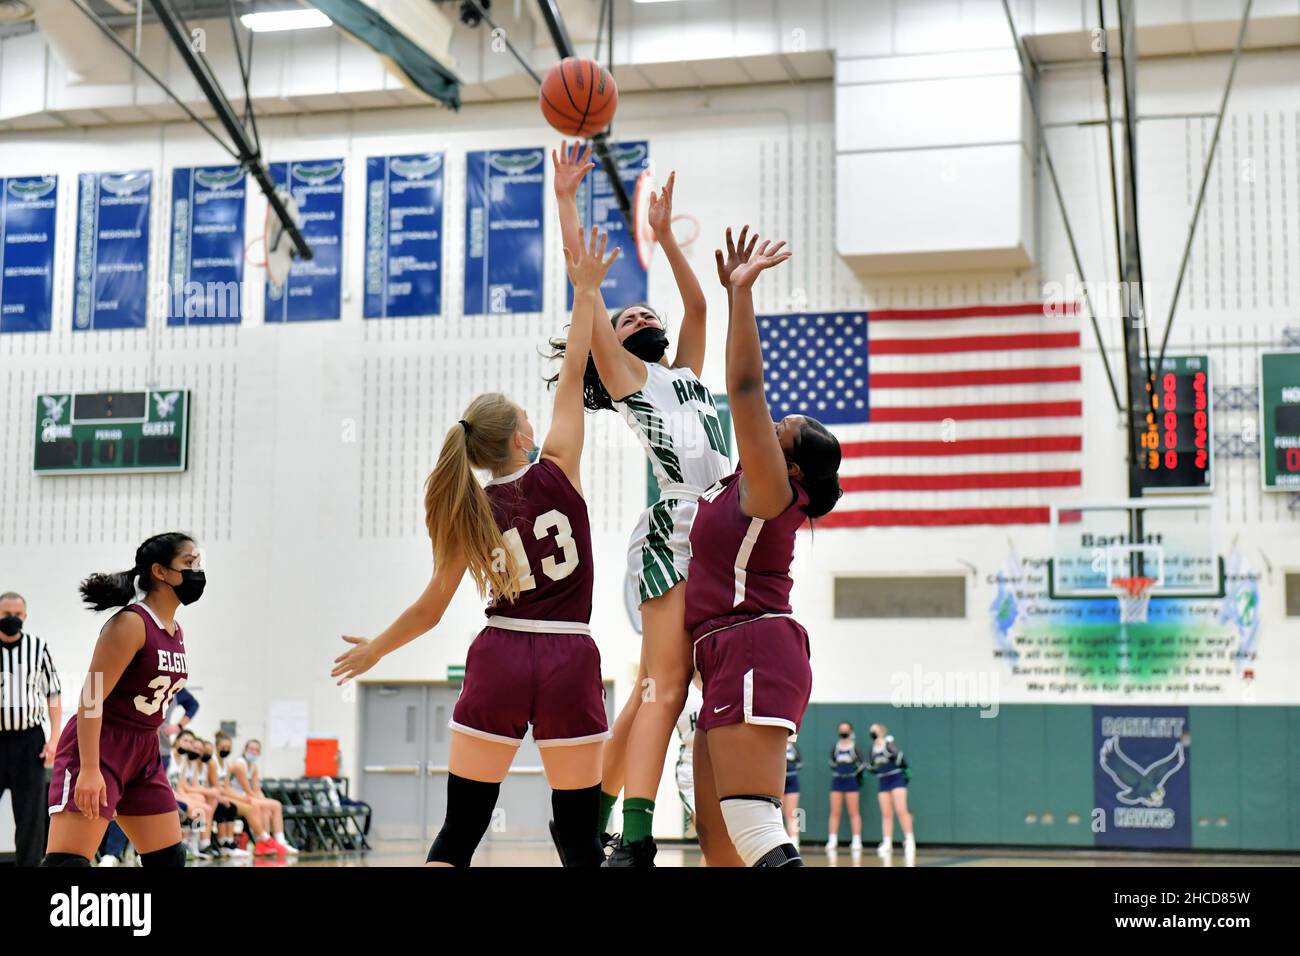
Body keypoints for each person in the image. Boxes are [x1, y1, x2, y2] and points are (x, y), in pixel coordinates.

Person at [332, 225, 619, 868]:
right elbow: (574, 368)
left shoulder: (470, 509)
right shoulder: (561, 467)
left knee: (461, 829)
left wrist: (377, 647)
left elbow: (433, 607)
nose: (535, 423)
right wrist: (586, 291)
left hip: (500, 656)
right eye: (527, 417)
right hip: (570, 656)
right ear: (522, 438)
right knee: (578, 836)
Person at [549, 142, 731, 865]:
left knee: (649, 695)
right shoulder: (628, 378)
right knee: (666, 687)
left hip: (716, 525)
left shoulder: (685, 372)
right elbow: (585, 294)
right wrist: (567, 208)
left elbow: (696, 303)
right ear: (612, 348)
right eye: (626, 316)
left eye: (641, 308)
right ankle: (636, 834)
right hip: (675, 530)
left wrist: (661, 235)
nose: (642, 312)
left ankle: (589, 822)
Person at [677, 230, 843, 868]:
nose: (772, 427)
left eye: (783, 431)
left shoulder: (771, 491)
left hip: (753, 643)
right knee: (718, 844)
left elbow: (744, 389)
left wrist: (739, 294)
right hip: (722, 653)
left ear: (794, 468)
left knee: (750, 822)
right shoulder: (735, 486)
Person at [41, 533, 199, 867]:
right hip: (102, 744)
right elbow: (90, 698)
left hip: (145, 749)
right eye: (188, 563)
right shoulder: (130, 623)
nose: (197, 571)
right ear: (160, 571)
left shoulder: (175, 630)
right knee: (68, 864)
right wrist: (89, 768)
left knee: (169, 859)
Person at [0, 591, 63, 866]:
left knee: (30, 816)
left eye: (17, 614)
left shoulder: (38, 647)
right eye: (6, 615)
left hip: (30, 741)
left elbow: (53, 694)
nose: (12, 619)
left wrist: (55, 738)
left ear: (24, 617)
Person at [212, 732, 281, 855]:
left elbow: (227, 788)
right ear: (216, 746)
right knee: (252, 806)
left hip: (228, 796)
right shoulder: (220, 763)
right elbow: (218, 788)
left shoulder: (227, 764)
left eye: (228, 748)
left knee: (262, 806)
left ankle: (265, 841)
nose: (226, 750)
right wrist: (242, 797)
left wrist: (259, 799)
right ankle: (264, 839)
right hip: (216, 797)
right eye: (223, 747)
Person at [227, 738, 298, 854]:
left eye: (256, 750)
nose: (254, 752)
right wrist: (262, 801)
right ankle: (264, 841)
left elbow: (256, 789)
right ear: (245, 750)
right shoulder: (240, 765)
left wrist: (263, 800)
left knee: (272, 806)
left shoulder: (253, 767)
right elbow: (248, 790)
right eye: (251, 749)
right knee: (266, 805)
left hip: (247, 795)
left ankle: (278, 841)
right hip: (237, 796)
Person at [867, 723, 915, 863]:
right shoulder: (873, 749)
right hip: (883, 780)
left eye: (875, 730)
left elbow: (900, 758)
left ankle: (909, 840)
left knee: (901, 810)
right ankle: (887, 842)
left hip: (896, 778)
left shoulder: (888, 744)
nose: (873, 732)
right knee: (886, 813)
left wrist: (890, 747)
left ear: (881, 731)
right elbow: (872, 765)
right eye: (871, 731)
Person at [827, 721, 865, 851]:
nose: (844, 732)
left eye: (846, 729)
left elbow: (861, 764)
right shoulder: (836, 747)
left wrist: (853, 774)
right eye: (841, 729)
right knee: (835, 812)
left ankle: (856, 840)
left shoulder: (855, 747)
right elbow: (831, 762)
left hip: (851, 782)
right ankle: (832, 840)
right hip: (837, 781)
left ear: (850, 731)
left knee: (853, 812)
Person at [783, 739, 802, 848]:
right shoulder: (775, 746)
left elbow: (800, 763)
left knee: (791, 813)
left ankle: (794, 841)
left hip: (792, 782)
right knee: (778, 814)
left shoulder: (794, 749)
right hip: (778, 783)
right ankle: (782, 841)